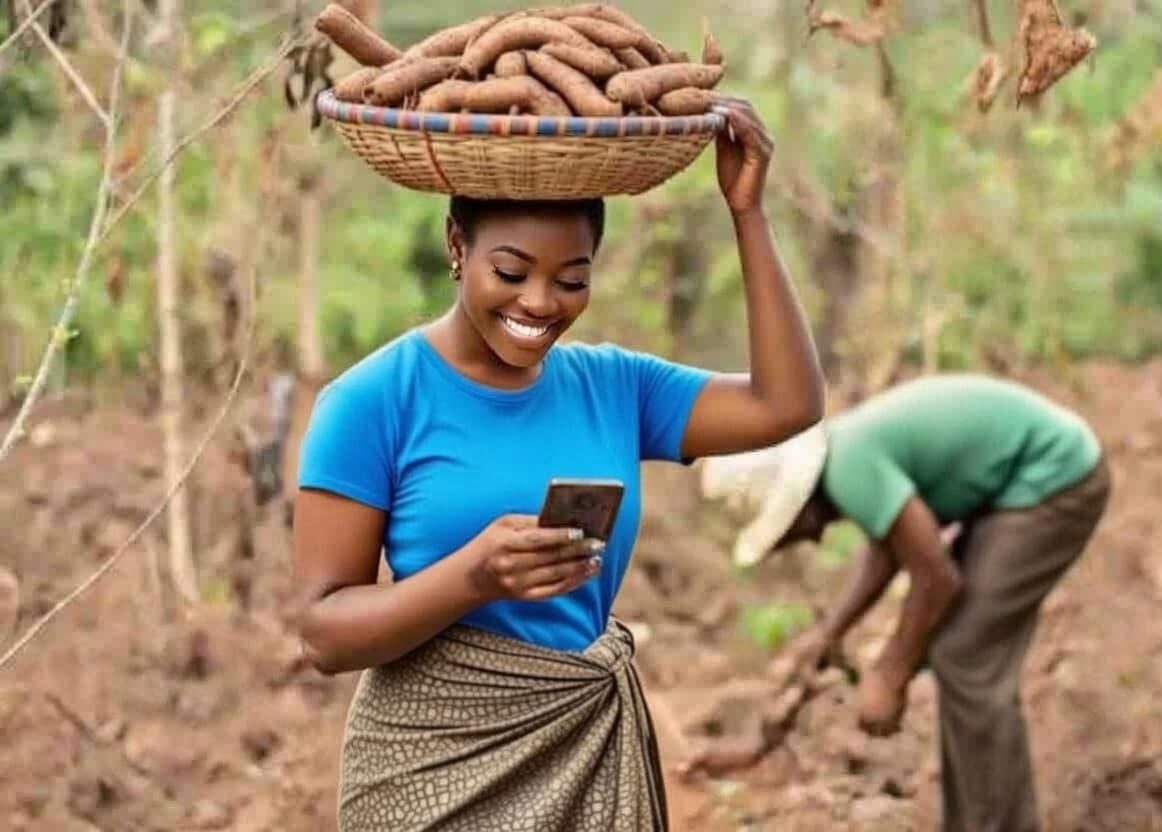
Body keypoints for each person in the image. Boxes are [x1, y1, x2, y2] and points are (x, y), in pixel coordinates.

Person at [290, 95, 825, 831]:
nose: (540, 303)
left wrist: (748, 213)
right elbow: (323, 632)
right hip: (430, 767)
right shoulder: (372, 401)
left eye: (571, 280)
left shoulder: (617, 387)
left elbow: (785, 404)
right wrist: (475, 576)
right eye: (511, 272)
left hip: (582, 743)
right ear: (456, 245)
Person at [696, 372, 1112, 832]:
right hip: (1022, 482)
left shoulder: (850, 466)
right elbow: (892, 548)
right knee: (958, 651)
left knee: (965, 654)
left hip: (1054, 477)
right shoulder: (846, 454)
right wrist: (830, 633)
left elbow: (936, 575)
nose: (807, 539)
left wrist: (890, 674)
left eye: (790, 531)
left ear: (797, 502)